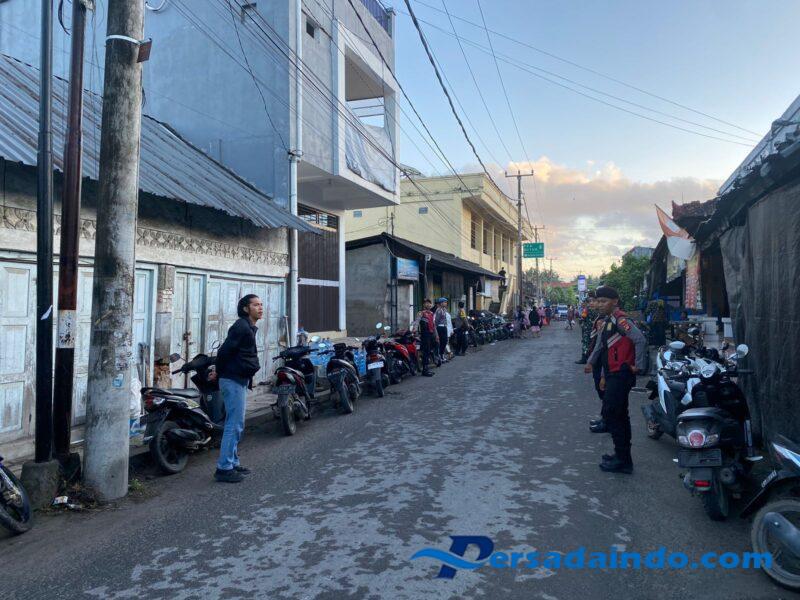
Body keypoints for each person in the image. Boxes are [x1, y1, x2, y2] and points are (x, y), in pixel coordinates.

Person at [585, 286, 647, 474]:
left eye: (604, 301)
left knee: (614, 414)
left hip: (621, 374)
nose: (600, 305)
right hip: (612, 373)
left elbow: (640, 340)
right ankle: (621, 455)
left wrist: (639, 366)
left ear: (615, 302)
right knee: (618, 414)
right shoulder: (608, 321)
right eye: (599, 301)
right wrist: (592, 364)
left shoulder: (621, 320)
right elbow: (603, 347)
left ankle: (623, 460)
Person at [212, 294, 263, 483]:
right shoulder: (241, 327)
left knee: (236, 423)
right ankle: (224, 468)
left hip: (238, 379)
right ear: (245, 309)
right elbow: (224, 351)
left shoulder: (248, 327)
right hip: (232, 380)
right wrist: (218, 371)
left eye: (261, 304)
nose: (260, 308)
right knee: (234, 424)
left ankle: (232, 462)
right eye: (255, 305)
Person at [416, 298, 437, 376]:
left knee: (429, 351)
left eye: (429, 303)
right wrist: (414, 330)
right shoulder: (421, 313)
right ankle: (425, 370)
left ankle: (427, 368)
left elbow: (434, 325)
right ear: (423, 305)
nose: (428, 304)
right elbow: (417, 322)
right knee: (426, 351)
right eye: (426, 303)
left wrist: (436, 335)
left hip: (431, 334)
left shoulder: (431, 313)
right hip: (425, 334)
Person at [434, 298, 450, 365]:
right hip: (440, 327)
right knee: (441, 342)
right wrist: (436, 329)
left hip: (444, 327)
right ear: (441, 303)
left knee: (444, 341)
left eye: (446, 302)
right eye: (444, 302)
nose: (446, 303)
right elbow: (436, 321)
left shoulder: (444, 310)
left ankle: (442, 355)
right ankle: (440, 356)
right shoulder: (438, 310)